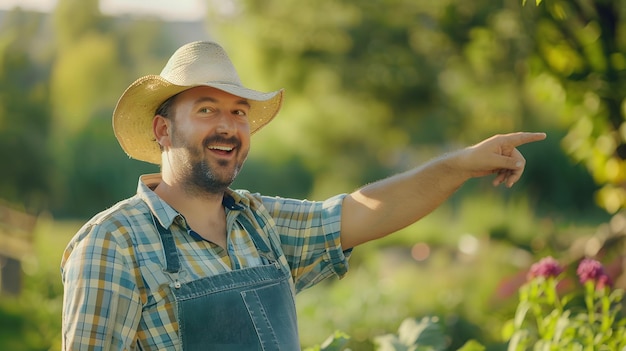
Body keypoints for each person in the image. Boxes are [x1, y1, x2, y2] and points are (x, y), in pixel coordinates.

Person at [61, 41, 546, 350]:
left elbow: (367, 211)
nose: (228, 126)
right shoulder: (113, 242)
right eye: (207, 109)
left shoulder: (259, 222)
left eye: (239, 112)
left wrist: (459, 165)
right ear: (163, 130)